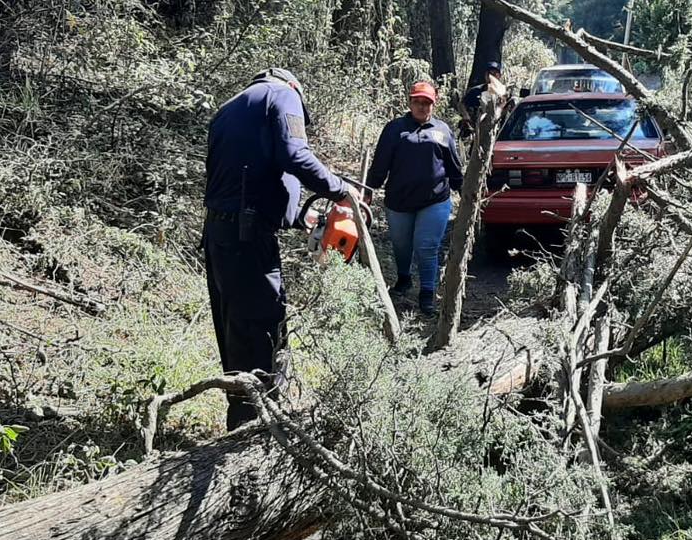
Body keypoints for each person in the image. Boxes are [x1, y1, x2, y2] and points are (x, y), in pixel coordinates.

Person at [203, 68, 359, 430]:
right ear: (296, 90)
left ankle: (241, 413)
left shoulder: (228, 108)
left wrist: (293, 216)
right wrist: (340, 189)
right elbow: (294, 155)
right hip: (247, 235)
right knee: (265, 327)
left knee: (234, 327)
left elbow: (246, 172)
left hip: (219, 231)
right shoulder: (284, 96)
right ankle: (257, 426)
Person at [366, 81, 463, 316]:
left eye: (426, 102)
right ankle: (404, 279)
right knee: (401, 245)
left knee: (426, 247)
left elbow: (454, 166)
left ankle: (427, 293)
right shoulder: (394, 129)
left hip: (435, 201)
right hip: (399, 201)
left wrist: (466, 192)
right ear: (410, 103)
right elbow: (380, 163)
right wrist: (369, 188)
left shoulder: (442, 130)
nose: (422, 106)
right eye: (417, 102)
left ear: (433, 104)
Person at [457, 60, 502, 139]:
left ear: (499, 76)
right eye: (489, 74)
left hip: (495, 132)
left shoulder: (503, 94)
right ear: (485, 75)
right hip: (474, 131)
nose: (492, 77)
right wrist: (466, 116)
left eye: (495, 74)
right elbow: (461, 104)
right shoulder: (475, 91)